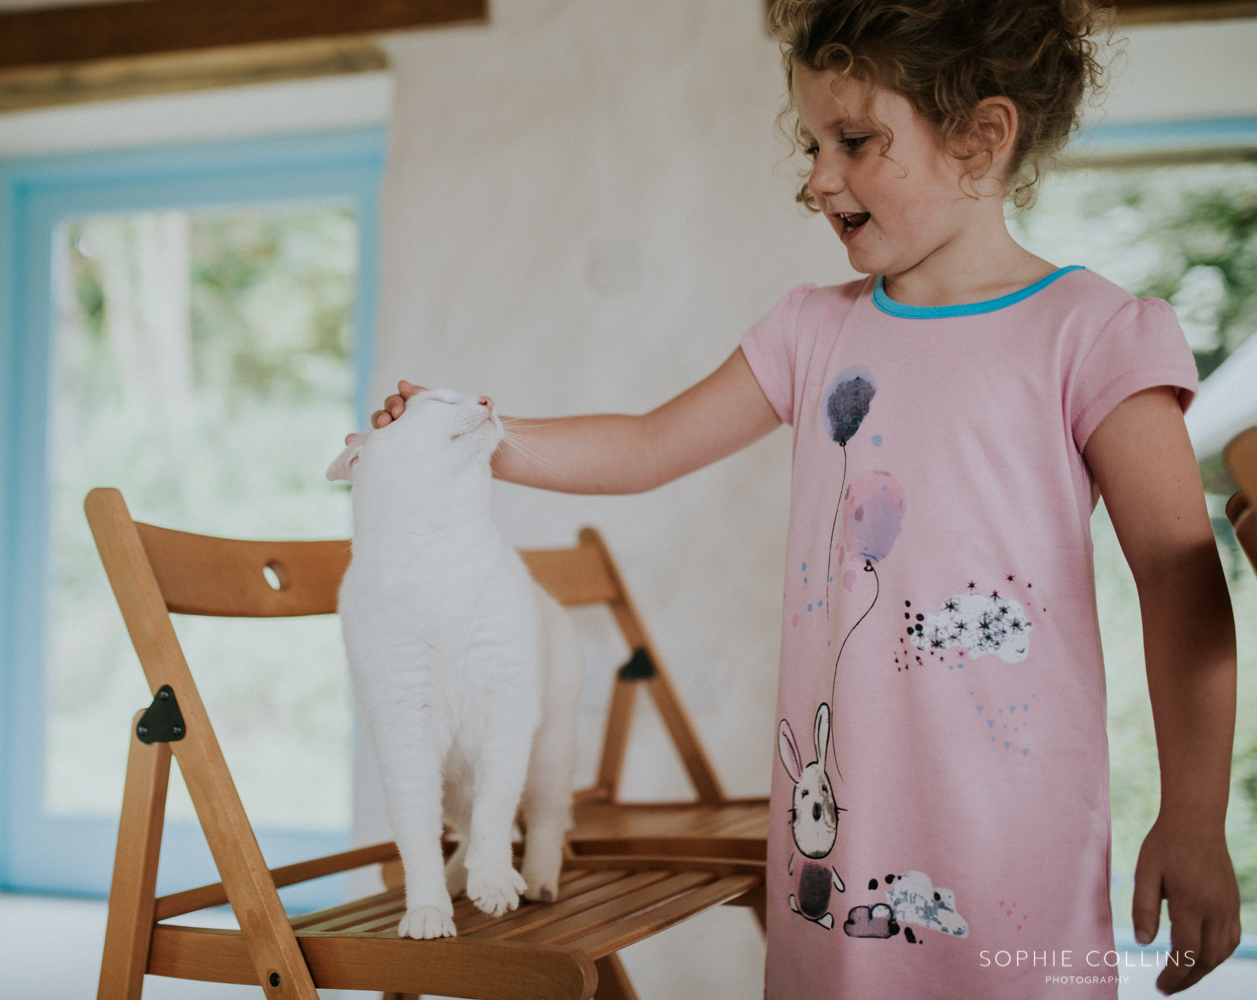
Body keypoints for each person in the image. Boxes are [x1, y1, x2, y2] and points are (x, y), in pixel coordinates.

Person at [357, 0, 1241, 994]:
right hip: (839, 850)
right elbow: (650, 442)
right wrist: (487, 435)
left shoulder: (1095, 333)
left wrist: (1196, 816)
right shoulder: (809, 332)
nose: (819, 176)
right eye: (815, 143)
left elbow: (1179, 581)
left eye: (856, 141)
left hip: (1017, 854)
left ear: (981, 137)